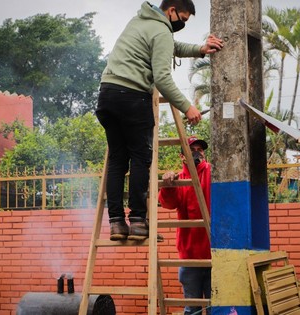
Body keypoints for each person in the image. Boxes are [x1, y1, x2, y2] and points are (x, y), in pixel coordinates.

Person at [95, 0, 223, 241]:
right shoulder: (161, 30)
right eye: (182, 19)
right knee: (141, 158)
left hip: (107, 96)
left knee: (117, 161)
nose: (181, 25)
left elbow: (172, 46)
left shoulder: (140, 21)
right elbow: (162, 78)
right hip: (133, 97)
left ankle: (116, 224)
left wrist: (200, 49)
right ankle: (137, 222)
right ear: (171, 10)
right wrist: (187, 107)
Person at [159, 136, 211, 315]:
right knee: (192, 310)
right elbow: (168, 203)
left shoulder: (213, 173)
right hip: (189, 257)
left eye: (200, 150)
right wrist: (168, 185)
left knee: (217, 307)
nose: (197, 153)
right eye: (192, 149)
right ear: (182, 156)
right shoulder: (179, 179)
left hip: (214, 254)